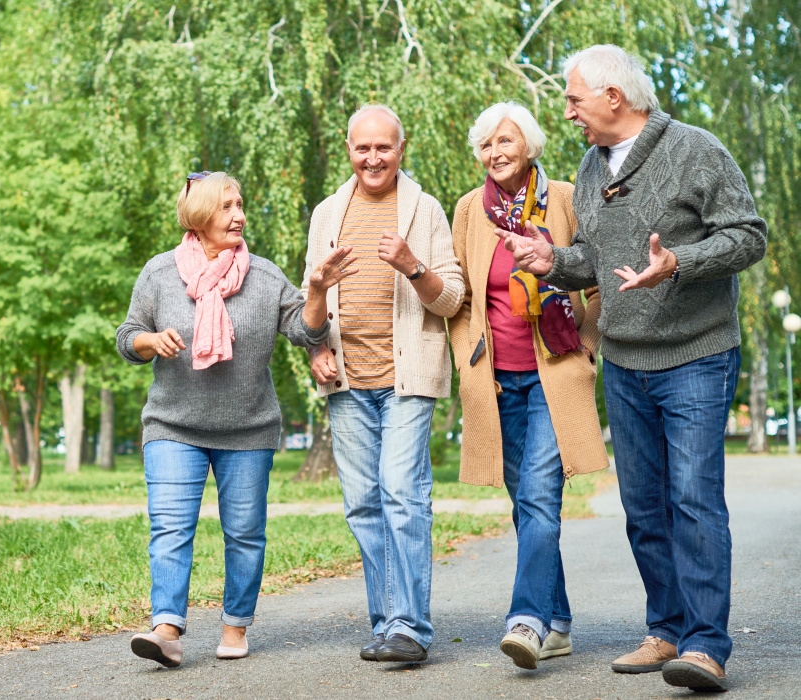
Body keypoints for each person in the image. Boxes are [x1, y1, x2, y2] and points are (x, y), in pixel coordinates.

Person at [496, 45, 767, 691]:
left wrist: (678, 263)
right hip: (624, 360)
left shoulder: (695, 150)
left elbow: (748, 236)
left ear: (613, 97)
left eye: (574, 99)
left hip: (695, 354)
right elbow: (595, 258)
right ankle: (666, 630)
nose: (567, 113)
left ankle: (705, 645)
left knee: (693, 500)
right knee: (644, 507)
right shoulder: (591, 165)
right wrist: (553, 262)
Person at [116, 170, 355, 667]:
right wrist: (151, 341)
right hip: (172, 426)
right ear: (200, 216)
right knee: (170, 529)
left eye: (240, 205)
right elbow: (127, 335)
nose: (239, 215)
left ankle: (235, 625)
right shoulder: (160, 273)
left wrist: (315, 291)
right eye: (227, 206)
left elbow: (306, 332)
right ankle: (166, 630)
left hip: (248, 429)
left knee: (244, 533)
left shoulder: (263, 276)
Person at [301, 104, 465, 663]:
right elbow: (310, 307)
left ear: (401, 148)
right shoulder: (327, 213)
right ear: (348, 148)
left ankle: (410, 628)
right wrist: (317, 346)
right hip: (346, 381)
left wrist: (412, 265)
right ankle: (387, 623)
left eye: (384, 148)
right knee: (363, 505)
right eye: (363, 148)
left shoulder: (424, 210)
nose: (373, 158)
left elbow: (452, 299)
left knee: (401, 492)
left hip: (407, 378)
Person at [449, 102, 609, 671]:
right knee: (525, 505)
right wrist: (465, 356)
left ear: (530, 145)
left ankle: (527, 621)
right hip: (495, 380)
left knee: (540, 496)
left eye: (505, 140)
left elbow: (598, 279)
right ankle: (558, 621)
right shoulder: (470, 209)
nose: (495, 152)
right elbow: (461, 295)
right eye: (486, 144)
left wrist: (587, 345)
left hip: (554, 372)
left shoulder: (564, 198)